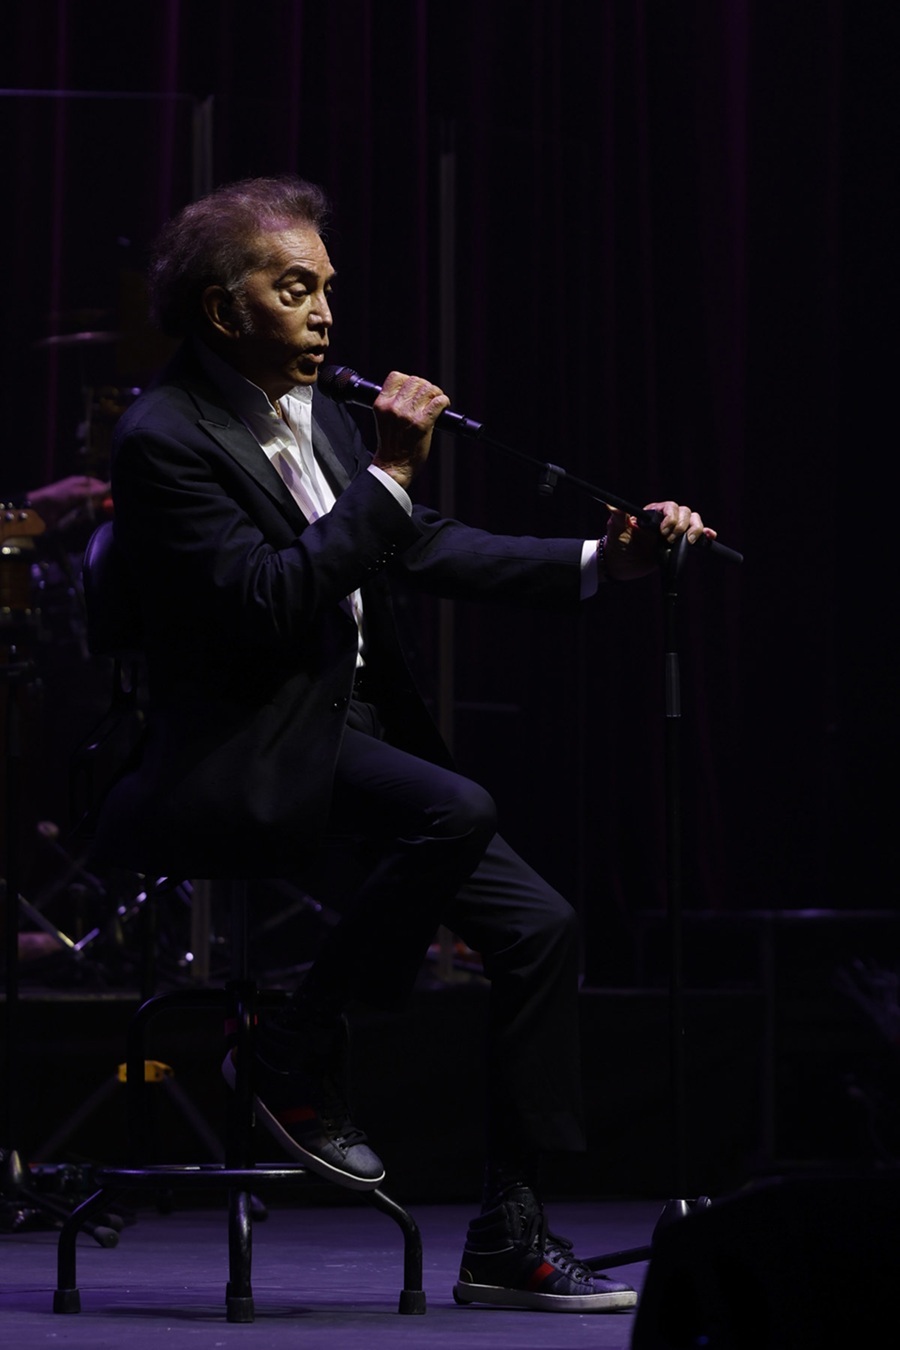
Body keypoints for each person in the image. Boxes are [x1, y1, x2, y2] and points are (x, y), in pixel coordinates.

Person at [91, 176, 715, 1314]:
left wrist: (606, 561)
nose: (326, 312)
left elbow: (416, 545)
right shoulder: (163, 437)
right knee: (454, 806)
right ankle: (292, 1046)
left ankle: (508, 1237)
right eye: (295, 289)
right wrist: (383, 476)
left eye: (327, 287)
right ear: (224, 311)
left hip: (343, 734)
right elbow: (268, 600)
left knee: (541, 927)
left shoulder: (320, 412)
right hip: (239, 745)